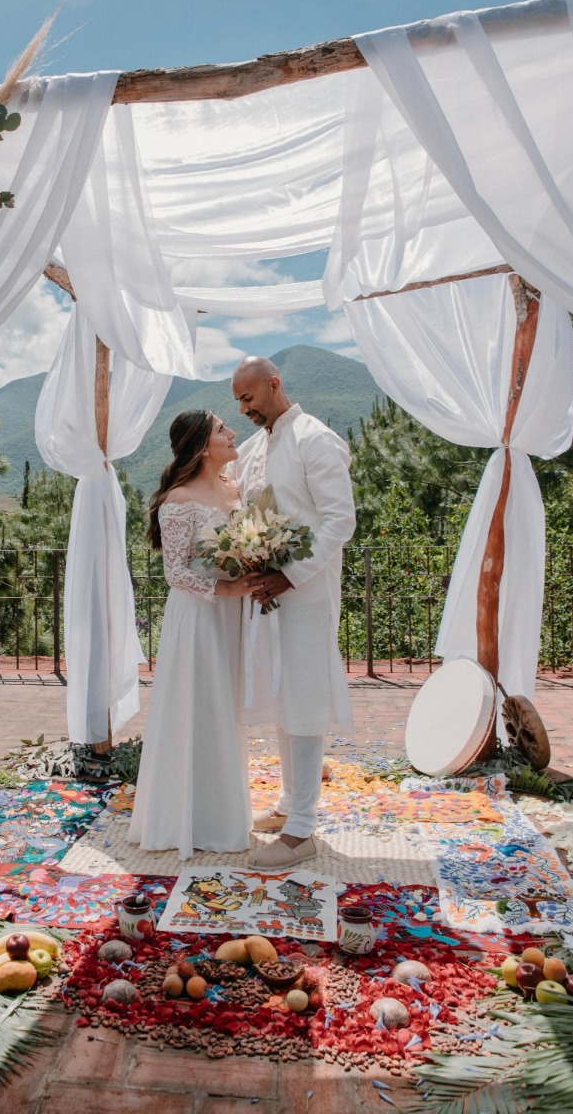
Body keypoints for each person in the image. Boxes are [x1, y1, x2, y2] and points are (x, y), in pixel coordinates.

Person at [231, 357, 356, 869]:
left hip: (306, 594)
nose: (242, 409)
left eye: (248, 398)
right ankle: (287, 806)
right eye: (238, 401)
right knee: (283, 696)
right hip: (268, 595)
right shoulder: (253, 447)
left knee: (303, 698)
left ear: (274, 384)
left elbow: (339, 519)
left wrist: (290, 574)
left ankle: (303, 828)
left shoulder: (315, 438)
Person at [128, 410, 256, 859]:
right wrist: (226, 586)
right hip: (200, 615)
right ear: (203, 446)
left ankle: (224, 811)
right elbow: (175, 572)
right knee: (198, 708)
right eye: (223, 429)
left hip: (232, 613)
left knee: (227, 708)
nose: (233, 433)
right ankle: (188, 818)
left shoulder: (235, 488)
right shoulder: (179, 500)